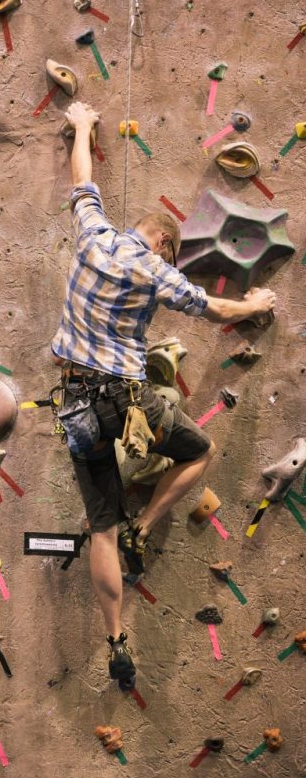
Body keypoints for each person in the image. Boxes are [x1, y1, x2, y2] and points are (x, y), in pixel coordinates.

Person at [51, 102, 276, 684]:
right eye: (171, 251)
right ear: (162, 242)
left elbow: (82, 180)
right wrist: (253, 305)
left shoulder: (95, 233)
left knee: (99, 524)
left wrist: (80, 125)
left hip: (75, 404)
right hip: (126, 398)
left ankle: (116, 638)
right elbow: (211, 307)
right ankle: (144, 527)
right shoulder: (156, 267)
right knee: (198, 450)